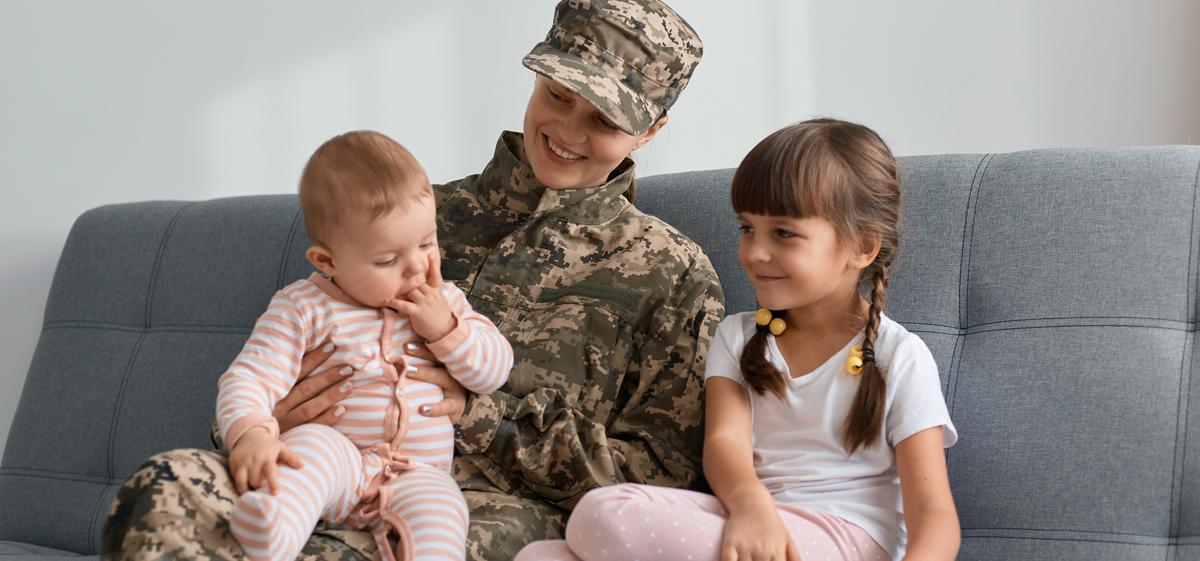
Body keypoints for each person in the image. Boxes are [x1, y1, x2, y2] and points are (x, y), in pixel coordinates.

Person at [101, 1, 724, 560]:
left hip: (487, 510)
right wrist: (268, 424)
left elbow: (662, 477)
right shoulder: (410, 212)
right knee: (165, 488)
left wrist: (484, 419)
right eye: (558, 95)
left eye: (604, 119)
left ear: (651, 131)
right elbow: (287, 346)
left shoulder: (674, 275)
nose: (567, 131)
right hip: (321, 463)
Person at [514, 119, 960, 561]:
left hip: (847, 539)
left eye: (784, 233)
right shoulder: (738, 336)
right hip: (757, 518)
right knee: (541, 555)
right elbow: (725, 445)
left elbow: (935, 515)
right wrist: (752, 505)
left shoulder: (899, 357)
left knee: (604, 515)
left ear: (862, 246)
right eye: (747, 228)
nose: (754, 252)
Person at [218, 130, 513, 561]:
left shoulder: (445, 302)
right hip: (340, 456)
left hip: (417, 473)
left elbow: (494, 371)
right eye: (387, 260)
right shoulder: (303, 307)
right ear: (327, 261)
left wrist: (447, 330)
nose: (416, 266)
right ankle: (273, 527)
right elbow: (249, 378)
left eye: (427, 243)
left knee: (445, 508)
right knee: (306, 457)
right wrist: (251, 435)